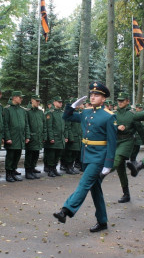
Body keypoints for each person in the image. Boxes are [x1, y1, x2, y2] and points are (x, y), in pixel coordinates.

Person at [53, 82, 117, 233]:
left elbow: (112, 142)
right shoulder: (86, 113)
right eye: (92, 95)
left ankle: (66, 210)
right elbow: (66, 116)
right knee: (95, 190)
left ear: (103, 99)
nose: (93, 97)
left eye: (97, 95)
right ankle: (102, 221)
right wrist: (73, 105)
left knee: (84, 183)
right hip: (86, 155)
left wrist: (108, 164)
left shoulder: (109, 116)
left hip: (99, 157)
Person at [112, 92, 144, 203]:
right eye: (118, 100)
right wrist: (117, 127)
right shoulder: (113, 114)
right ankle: (126, 194)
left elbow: (141, 131)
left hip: (127, 141)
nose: (120, 102)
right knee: (120, 169)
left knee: (116, 160)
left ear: (128, 101)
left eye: (122, 100)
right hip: (116, 141)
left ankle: (100, 176)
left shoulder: (132, 114)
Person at [3, 90, 30, 182]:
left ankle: (13, 171)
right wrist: (8, 137)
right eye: (20, 97)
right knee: (10, 156)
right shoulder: (7, 109)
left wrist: (27, 136)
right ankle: (8, 173)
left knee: (17, 156)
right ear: (14, 97)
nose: (21, 99)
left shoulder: (22, 110)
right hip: (12, 137)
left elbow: (26, 124)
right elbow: (5, 125)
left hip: (20, 137)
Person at [44, 96, 66, 177]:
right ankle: (50, 169)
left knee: (57, 155)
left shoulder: (62, 113)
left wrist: (64, 136)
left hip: (60, 137)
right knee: (51, 155)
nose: (60, 103)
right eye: (58, 102)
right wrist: (51, 137)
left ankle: (54, 169)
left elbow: (64, 126)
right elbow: (49, 127)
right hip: (54, 137)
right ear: (54, 103)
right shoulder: (50, 113)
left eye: (61, 102)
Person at [24, 94, 45, 179]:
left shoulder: (40, 112)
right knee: (29, 154)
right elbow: (27, 125)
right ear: (32, 100)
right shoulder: (27, 111)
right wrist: (28, 135)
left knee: (36, 154)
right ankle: (28, 171)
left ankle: (32, 168)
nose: (38, 102)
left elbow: (43, 124)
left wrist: (43, 135)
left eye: (39, 101)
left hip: (38, 136)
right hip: (31, 137)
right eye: (36, 101)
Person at [61, 98, 82, 175]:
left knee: (75, 154)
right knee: (69, 153)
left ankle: (71, 167)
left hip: (78, 137)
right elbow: (68, 127)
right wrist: (70, 137)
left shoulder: (78, 114)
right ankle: (68, 167)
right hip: (73, 137)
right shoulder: (70, 114)